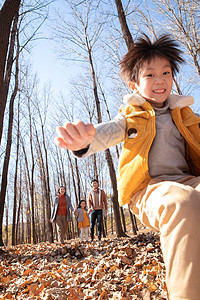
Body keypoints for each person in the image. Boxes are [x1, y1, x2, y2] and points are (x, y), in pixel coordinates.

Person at [54, 34, 200, 299]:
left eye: (166, 72)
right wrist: (86, 140)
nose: (160, 80)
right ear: (134, 85)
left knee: (189, 196)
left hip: (187, 180)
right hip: (148, 189)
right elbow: (110, 131)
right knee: (182, 203)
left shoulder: (185, 113)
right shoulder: (132, 116)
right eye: (150, 75)